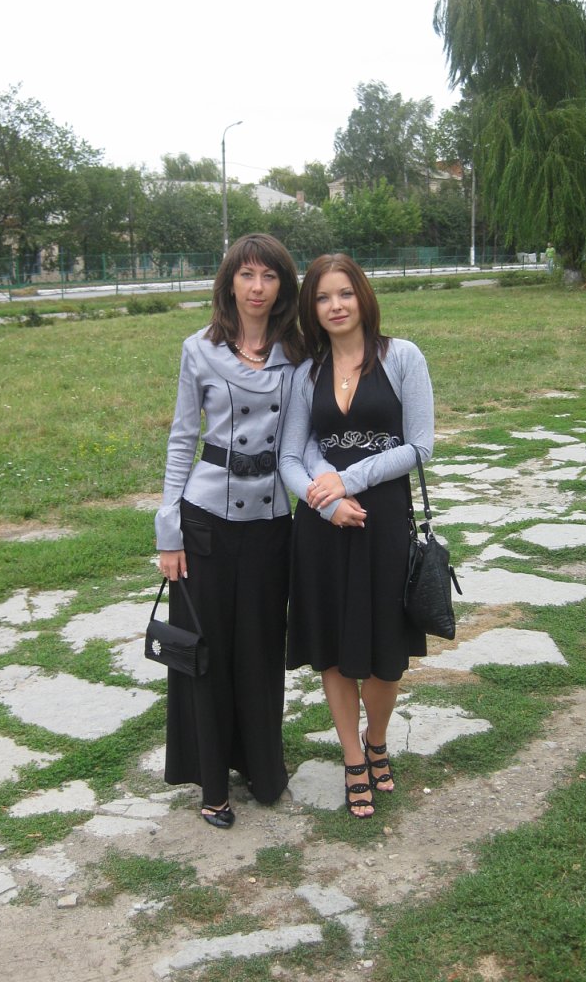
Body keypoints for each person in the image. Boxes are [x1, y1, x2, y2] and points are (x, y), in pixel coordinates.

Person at [155, 233, 305, 829]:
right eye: (247, 275)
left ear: (282, 286)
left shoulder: (300, 354)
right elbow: (182, 439)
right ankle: (212, 783)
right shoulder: (199, 349)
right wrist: (169, 530)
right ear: (230, 283)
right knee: (208, 653)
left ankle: (262, 768)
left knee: (262, 649)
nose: (257, 288)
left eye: (269, 276)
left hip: (270, 522)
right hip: (206, 520)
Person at [279, 254, 434, 819]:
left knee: (385, 652)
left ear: (363, 296)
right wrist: (326, 505)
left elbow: (420, 446)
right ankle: (352, 756)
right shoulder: (307, 373)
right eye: (322, 297)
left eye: (344, 293)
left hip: (383, 522)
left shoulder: (403, 357)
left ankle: (377, 739)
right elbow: (290, 457)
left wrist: (350, 480)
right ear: (311, 309)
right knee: (334, 646)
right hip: (323, 531)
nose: (336, 306)